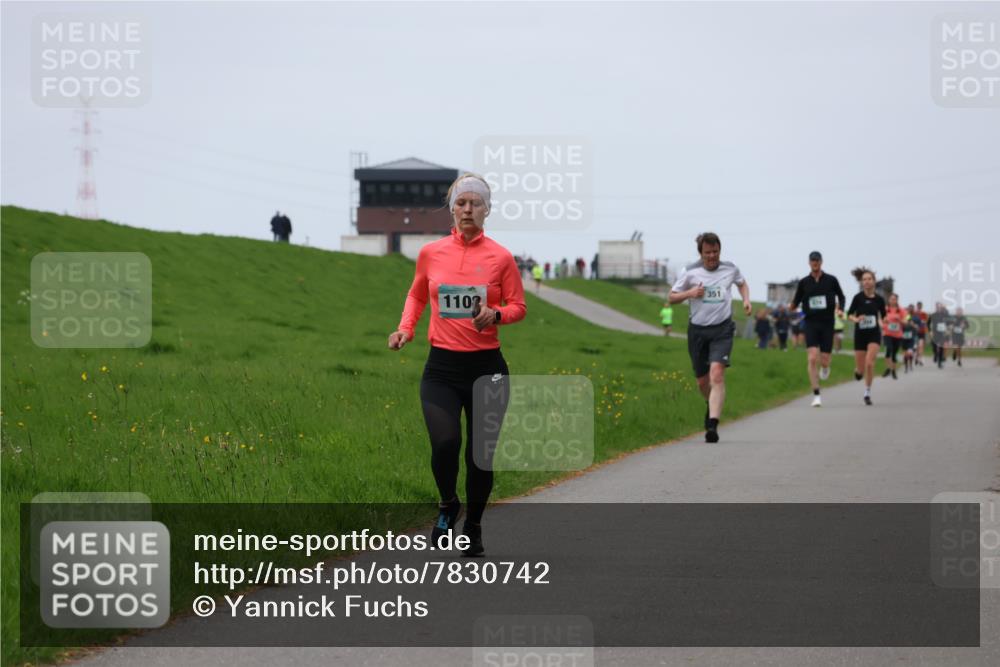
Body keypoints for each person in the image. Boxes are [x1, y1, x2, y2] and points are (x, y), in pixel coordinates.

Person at [387, 173, 526, 557]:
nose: (468, 209)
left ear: (487, 210)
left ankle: (476, 527)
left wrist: (495, 316)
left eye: (475, 203)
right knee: (445, 444)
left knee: (480, 456)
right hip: (442, 370)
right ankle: (448, 502)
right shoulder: (432, 253)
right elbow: (416, 296)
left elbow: (519, 307)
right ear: (453, 210)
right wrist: (405, 329)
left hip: (488, 369)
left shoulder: (500, 257)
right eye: (461, 203)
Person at [669, 232, 752, 443]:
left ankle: (713, 425)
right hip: (697, 331)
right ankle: (710, 404)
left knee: (717, 375)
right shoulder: (689, 271)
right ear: (701, 252)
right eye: (708, 252)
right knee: (702, 381)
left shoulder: (730, 268)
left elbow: (742, 283)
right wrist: (690, 294)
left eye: (715, 251)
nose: (712, 256)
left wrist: (746, 300)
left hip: (722, 330)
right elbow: (671, 297)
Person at [790, 251, 846, 407]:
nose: (815, 263)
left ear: (821, 262)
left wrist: (841, 308)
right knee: (812, 357)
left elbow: (841, 296)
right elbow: (796, 300)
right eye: (812, 261)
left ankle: (826, 367)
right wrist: (792, 306)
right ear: (809, 263)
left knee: (825, 359)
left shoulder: (831, 280)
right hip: (811, 323)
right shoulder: (804, 282)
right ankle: (816, 394)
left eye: (817, 260)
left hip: (828, 323)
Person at [847, 267, 886, 406]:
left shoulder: (880, 300)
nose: (867, 282)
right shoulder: (857, 298)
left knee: (870, 363)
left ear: (874, 281)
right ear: (861, 283)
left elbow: (883, 316)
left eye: (869, 279)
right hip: (860, 335)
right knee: (861, 369)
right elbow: (849, 314)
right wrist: (856, 319)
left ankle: (867, 392)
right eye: (864, 280)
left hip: (874, 334)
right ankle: (857, 371)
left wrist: (882, 322)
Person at [881, 293, 905, 380]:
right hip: (887, 334)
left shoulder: (901, 310)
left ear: (897, 300)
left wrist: (900, 320)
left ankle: (894, 371)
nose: (892, 301)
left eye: (894, 299)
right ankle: (888, 368)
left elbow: (906, 321)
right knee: (888, 349)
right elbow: (879, 319)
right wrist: (883, 324)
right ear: (889, 300)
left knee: (894, 354)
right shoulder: (885, 309)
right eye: (891, 299)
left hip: (898, 335)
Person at [928, 303, 950, 368]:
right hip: (935, 332)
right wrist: (930, 331)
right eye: (937, 307)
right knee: (934, 345)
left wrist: (948, 330)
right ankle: (935, 354)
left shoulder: (945, 315)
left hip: (942, 333)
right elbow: (928, 323)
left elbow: (949, 323)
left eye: (940, 308)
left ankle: (940, 362)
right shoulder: (933, 315)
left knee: (941, 347)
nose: (939, 309)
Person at [901, 305, 917, 373]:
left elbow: (914, 326)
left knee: (910, 353)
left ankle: (910, 365)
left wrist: (912, 325)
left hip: (910, 339)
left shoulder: (909, 318)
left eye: (907, 311)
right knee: (905, 354)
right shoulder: (901, 318)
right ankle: (906, 368)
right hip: (904, 340)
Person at [914, 301, 929, 366]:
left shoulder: (924, 314)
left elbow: (925, 322)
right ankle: (917, 357)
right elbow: (908, 319)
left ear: (921, 307)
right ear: (917, 306)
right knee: (917, 346)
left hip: (922, 332)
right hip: (915, 332)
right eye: (918, 306)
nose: (919, 307)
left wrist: (923, 323)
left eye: (920, 306)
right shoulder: (914, 313)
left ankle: (920, 359)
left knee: (921, 346)